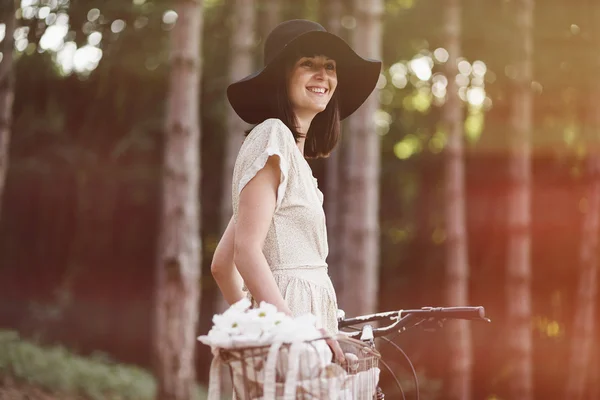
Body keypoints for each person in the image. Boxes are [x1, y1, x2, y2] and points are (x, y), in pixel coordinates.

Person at [210, 19, 381, 360]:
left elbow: (221, 264)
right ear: (282, 77)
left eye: (329, 67)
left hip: (304, 323)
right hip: (295, 329)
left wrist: (254, 321)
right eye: (308, 64)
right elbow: (245, 252)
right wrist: (291, 332)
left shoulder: (293, 159)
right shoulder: (272, 136)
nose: (323, 75)